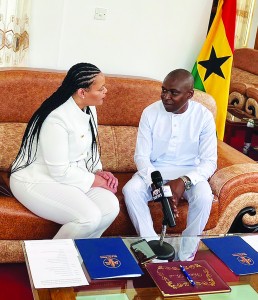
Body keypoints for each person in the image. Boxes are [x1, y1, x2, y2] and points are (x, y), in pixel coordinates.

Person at [10, 62, 119, 239]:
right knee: (88, 218)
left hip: (73, 175)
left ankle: (79, 257)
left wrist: (99, 171)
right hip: (37, 180)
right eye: (101, 89)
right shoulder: (56, 119)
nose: (106, 91)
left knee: (110, 207)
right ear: (82, 92)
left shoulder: (89, 108)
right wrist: (95, 181)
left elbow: (90, 149)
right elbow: (59, 171)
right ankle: (50, 263)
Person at [122, 69, 217, 261]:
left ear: (189, 94)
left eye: (173, 92)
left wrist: (183, 181)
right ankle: (152, 250)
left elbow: (209, 162)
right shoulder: (150, 112)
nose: (166, 97)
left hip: (190, 173)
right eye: (163, 90)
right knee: (130, 190)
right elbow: (141, 157)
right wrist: (158, 185)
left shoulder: (203, 116)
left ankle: (186, 254)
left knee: (204, 196)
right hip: (154, 171)